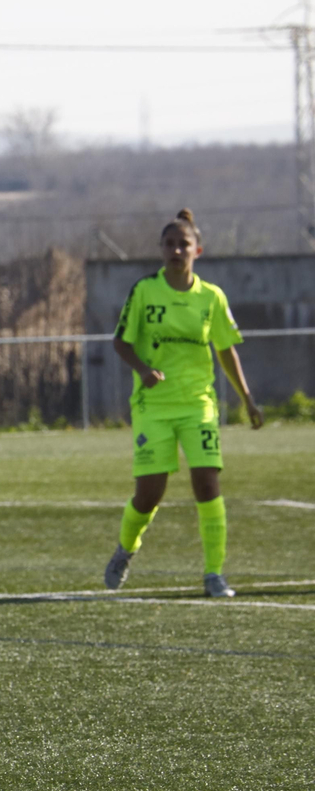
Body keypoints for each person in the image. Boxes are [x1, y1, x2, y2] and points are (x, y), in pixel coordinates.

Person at [103, 208, 263, 599]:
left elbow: (226, 351)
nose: (177, 250)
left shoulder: (211, 298)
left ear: (198, 250)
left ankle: (214, 574)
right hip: (154, 405)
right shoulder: (144, 291)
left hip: (198, 404)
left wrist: (247, 399)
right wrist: (142, 369)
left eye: (184, 244)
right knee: (149, 494)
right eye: (170, 244)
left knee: (207, 481)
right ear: (161, 249)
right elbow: (121, 341)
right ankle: (126, 548)